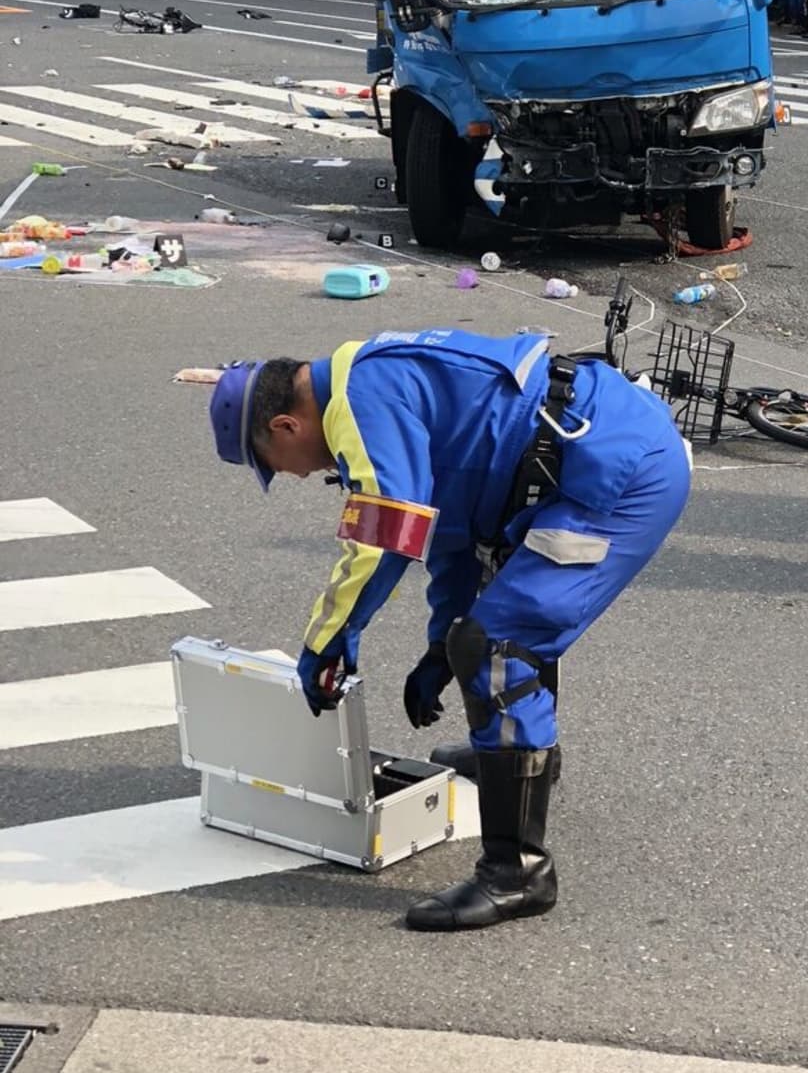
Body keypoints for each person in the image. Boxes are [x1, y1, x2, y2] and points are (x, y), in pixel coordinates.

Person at [208, 329, 691, 931]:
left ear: (285, 426)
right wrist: (440, 643)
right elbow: (453, 538)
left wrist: (326, 641)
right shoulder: (370, 377)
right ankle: (521, 759)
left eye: (275, 467)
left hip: (621, 479)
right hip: (588, 461)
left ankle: (518, 875)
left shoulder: (359, 401)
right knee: (488, 624)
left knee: (499, 647)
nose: (298, 477)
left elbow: (383, 539)